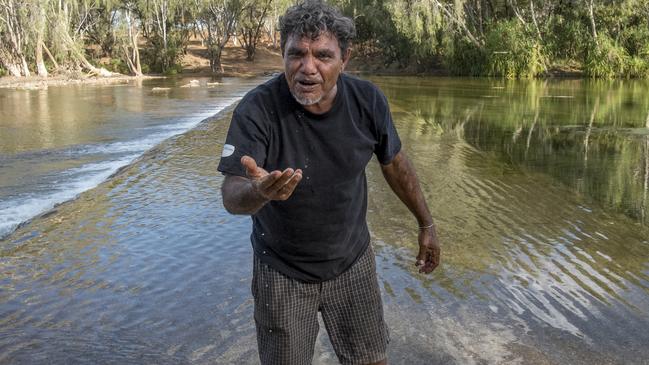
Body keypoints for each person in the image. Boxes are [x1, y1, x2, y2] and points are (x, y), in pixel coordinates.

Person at [217, 1, 440, 364]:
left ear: (344, 59)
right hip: (282, 270)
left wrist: (426, 224)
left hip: (353, 262)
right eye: (296, 54)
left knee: (371, 360)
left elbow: (395, 163)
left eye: (322, 55)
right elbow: (231, 194)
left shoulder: (367, 101)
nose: (308, 68)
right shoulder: (257, 110)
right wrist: (257, 192)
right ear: (282, 55)